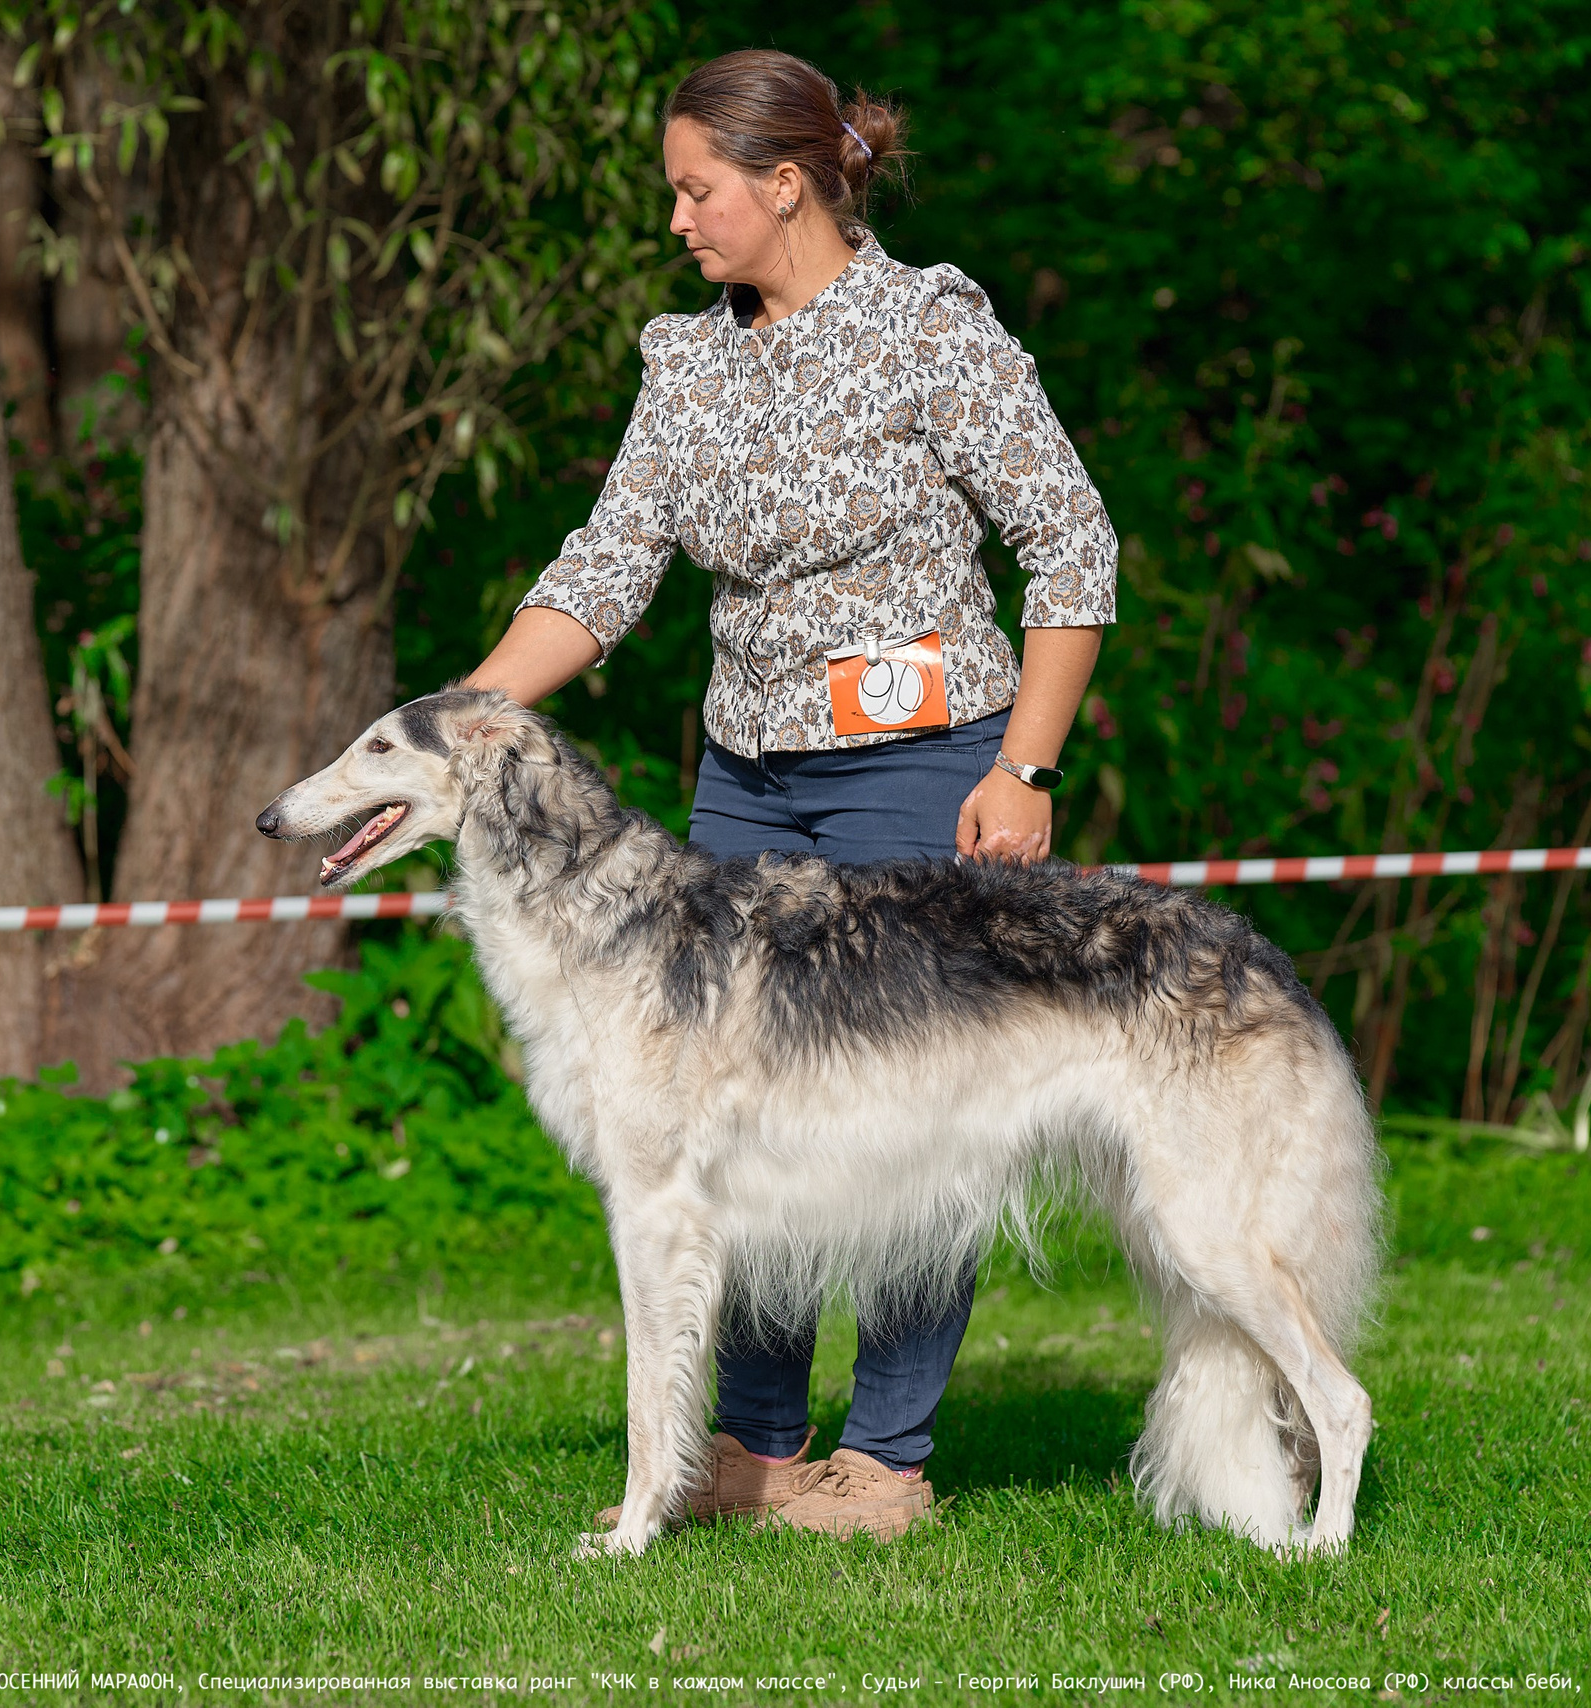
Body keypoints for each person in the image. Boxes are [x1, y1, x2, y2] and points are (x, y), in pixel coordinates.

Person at [462, 48, 1118, 1541]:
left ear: (786, 183)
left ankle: (885, 1460)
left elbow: (1074, 549)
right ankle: (754, 1449)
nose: (679, 222)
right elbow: (606, 568)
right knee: (732, 1128)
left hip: (927, 775)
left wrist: (1024, 767)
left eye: (697, 192)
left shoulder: (931, 328)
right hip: (745, 790)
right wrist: (466, 714)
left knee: (910, 1125)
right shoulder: (684, 364)